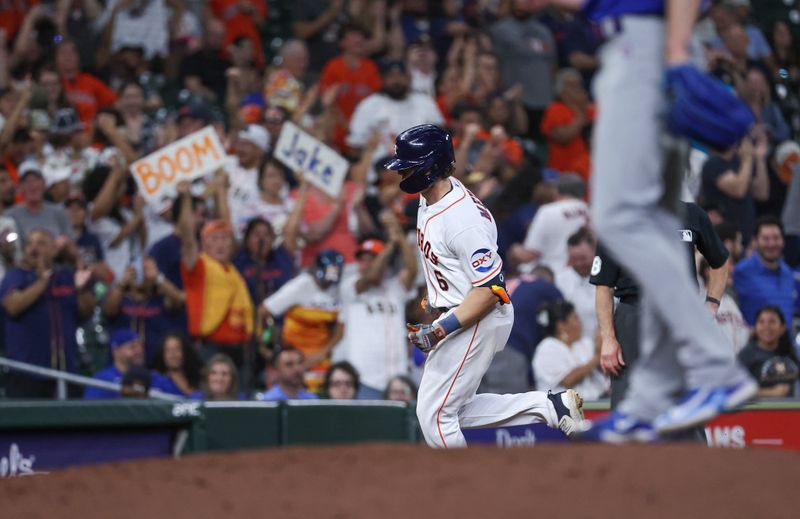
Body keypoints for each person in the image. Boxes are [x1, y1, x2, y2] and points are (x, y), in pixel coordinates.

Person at [530, 0, 757, 441]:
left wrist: (673, 52)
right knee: (654, 222)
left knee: (617, 221)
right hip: (650, 43)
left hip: (643, 47)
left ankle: (716, 367)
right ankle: (651, 396)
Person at [386, 124, 585, 449]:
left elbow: (491, 290)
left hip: (476, 315)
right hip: (460, 309)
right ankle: (549, 406)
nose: (402, 173)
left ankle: (463, 488)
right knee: (452, 410)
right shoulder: (433, 196)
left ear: (429, 167)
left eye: (408, 166)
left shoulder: (463, 222)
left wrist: (440, 330)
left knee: (435, 415)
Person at [591, 202, 733, 410]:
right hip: (634, 314)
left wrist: (711, 304)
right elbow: (604, 286)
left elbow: (720, 261)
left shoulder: (691, 214)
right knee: (628, 400)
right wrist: (608, 339)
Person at [0, 228, 95, 398]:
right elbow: (13, 306)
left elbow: (86, 312)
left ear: (53, 250)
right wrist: (42, 281)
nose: (34, 248)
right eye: (30, 244)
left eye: (41, 243)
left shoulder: (66, 276)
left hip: (66, 371)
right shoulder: (17, 276)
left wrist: (81, 289)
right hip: (27, 374)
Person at [335, 213, 417, 399]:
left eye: (372, 258)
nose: (366, 263)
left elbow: (412, 270)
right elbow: (371, 276)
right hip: (364, 379)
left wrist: (399, 237)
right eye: (362, 258)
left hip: (396, 379)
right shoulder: (350, 286)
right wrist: (390, 246)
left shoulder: (394, 287)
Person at [177, 181, 254, 370]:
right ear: (203, 244)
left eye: (225, 238)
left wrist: (222, 191)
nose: (220, 244)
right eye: (214, 239)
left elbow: (226, 220)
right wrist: (186, 199)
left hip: (239, 349)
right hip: (209, 348)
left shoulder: (234, 271)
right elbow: (187, 237)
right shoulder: (199, 266)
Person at [259, 249, 345, 393]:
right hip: (293, 357)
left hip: (320, 358)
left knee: (319, 399)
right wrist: (265, 345)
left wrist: (321, 353)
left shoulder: (339, 289)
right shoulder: (301, 285)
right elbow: (263, 311)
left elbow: (340, 327)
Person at [479, 266, 563, 394]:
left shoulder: (510, 282)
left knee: (482, 401)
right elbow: (563, 308)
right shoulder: (543, 284)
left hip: (481, 343)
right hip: (509, 346)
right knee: (508, 404)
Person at [102, 258, 185, 364]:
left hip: (156, 366)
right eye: (137, 271)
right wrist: (122, 282)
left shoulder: (158, 299)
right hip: (122, 366)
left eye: (145, 271)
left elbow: (178, 300)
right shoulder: (121, 298)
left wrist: (158, 277)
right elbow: (108, 310)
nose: (141, 275)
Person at [509, 172, 589, 272]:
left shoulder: (548, 211)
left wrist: (514, 250)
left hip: (552, 275)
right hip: (584, 273)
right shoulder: (591, 211)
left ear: (556, 191)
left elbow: (530, 254)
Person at [532, 300, 608, 400]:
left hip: (593, 404)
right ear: (561, 325)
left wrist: (604, 347)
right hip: (558, 410)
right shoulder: (547, 348)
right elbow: (568, 380)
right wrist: (597, 356)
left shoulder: (584, 343)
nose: (580, 321)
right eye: (575, 318)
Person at [733, 216, 796, 327]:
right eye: (766, 239)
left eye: (776, 238)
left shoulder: (789, 274)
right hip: (753, 343)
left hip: (787, 343)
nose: (771, 244)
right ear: (755, 241)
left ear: (783, 240)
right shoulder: (740, 272)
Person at [84, 329, 173, 399]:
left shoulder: (153, 377)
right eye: (132, 347)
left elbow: (179, 399)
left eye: (140, 346)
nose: (139, 351)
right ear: (115, 351)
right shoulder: (102, 379)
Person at [541, 68, 595, 181]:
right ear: (561, 91)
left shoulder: (591, 110)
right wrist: (580, 116)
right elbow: (562, 137)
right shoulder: (555, 109)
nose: (578, 89)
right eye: (572, 86)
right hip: (562, 175)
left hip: (591, 172)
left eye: (579, 85)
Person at [6, 162, 74, 247]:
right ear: (20, 187)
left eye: (36, 179)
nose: (32, 185)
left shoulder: (59, 212)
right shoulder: (10, 216)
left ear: (44, 183)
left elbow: (72, 245)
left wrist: (64, 242)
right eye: (27, 181)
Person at [737, 305, 799, 398]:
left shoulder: (791, 352)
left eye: (772, 322)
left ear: (782, 327)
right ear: (755, 327)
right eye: (761, 322)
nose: (766, 327)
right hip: (762, 411)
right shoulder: (746, 355)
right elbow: (735, 392)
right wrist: (770, 392)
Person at [555, 227, 597, 340]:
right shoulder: (559, 280)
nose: (579, 263)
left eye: (583, 258)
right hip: (574, 345)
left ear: (594, 252)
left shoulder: (610, 278)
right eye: (573, 259)